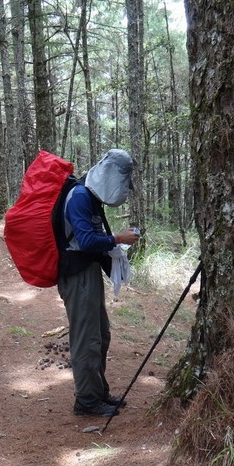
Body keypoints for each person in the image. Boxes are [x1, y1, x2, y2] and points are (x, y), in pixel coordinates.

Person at [56, 149, 141, 417]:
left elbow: (91, 238)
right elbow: (88, 240)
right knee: (86, 340)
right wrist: (118, 239)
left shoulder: (91, 197)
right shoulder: (80, 197)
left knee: (101, 335)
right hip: (77, 274)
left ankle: (98, 392)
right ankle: (87, 401)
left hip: (87, 272)